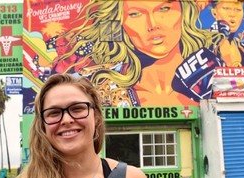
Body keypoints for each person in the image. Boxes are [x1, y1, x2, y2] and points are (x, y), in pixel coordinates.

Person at [11, 74, 157, 178]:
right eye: (54, 112)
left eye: (77, 108)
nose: (67, 120)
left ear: (97, 117)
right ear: (43, 126)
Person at [58, 0, 224, 106]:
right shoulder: (102, 87)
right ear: (120, 24)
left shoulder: (215, 70)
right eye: (135, 14)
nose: (152, 25)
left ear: (184, 12)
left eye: (164, 9)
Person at [210, 0, 244, 66]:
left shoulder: (241, 46)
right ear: (214, 13)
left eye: (238, 10)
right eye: (226, 8)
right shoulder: (201, 40)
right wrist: (212, 43)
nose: (232, 14)